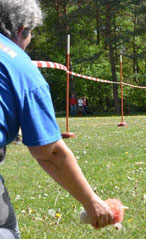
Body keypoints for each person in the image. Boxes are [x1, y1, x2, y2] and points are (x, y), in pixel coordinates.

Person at [0, 1, 114, 238]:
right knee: (6, 230)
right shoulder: (22, 68)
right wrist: (92, 201)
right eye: (30, 34)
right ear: (21, 30)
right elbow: (49, 153)